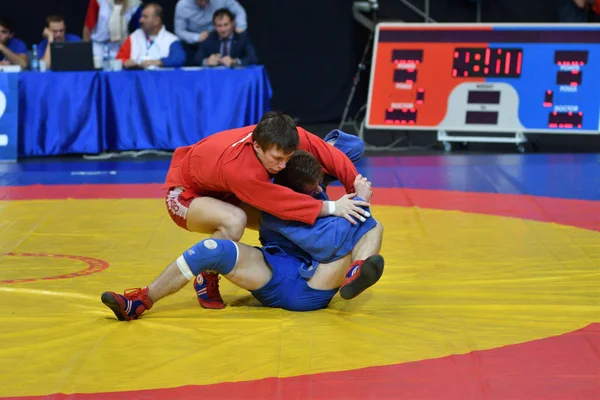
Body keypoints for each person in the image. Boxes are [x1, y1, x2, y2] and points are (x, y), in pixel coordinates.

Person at [101, 150, 384, 320]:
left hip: (284, 274)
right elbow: (329, 245)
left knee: (363, 222)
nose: (319, 192)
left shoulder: (299, 185)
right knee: (211, 248)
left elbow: (342, 149)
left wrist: (340, 158)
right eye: (313, 191)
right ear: (297, 193)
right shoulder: (279, 212)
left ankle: (357, 270)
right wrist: (360, 199)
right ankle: (141, 300)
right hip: (307, 285)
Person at [163, 111, 371, 309]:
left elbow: (330, 154)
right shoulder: (240, 170)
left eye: (287, 157)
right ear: (257, 147)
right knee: (235, 220)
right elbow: (279, 203)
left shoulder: (288, 137)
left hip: (227, 188)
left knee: (348, 147)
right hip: (186, 194)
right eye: (277, 159)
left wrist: (356, 193)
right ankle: (206, 276)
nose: (282, 166)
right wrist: (335, 207)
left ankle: (312, 200)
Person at [116, 3, 186, 69]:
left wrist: (157, 62)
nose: (140, 20)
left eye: (145, 17)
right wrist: (125, 63)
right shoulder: (134, 37)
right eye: (141, 16)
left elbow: (179, 59)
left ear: (157, 21)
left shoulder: (171, 40)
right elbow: (119, 59)